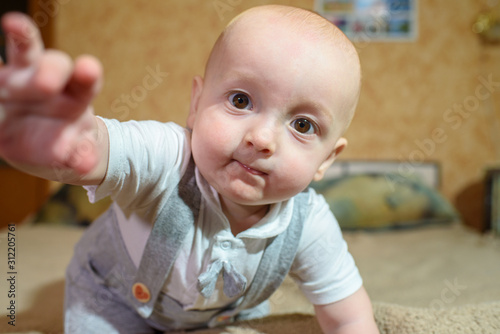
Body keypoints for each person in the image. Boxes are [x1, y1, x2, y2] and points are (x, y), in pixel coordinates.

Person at [0, 5, 379, 334]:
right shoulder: (167, 158)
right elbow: (95, 150)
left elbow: (348, 319)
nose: (263, 138)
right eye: (241, 100)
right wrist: (57, 142)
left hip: (225, 314)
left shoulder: (309, 225)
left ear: (327, 160)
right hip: (112, 298)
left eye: (302, 125)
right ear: (196, 104)